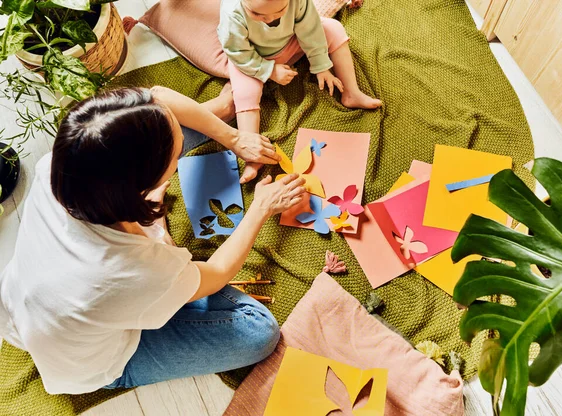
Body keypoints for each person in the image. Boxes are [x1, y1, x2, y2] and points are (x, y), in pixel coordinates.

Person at [0, 86, 306, 394]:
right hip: (93, 361)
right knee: (258, 333)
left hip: (29, 307)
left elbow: (157, 96)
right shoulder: (133, 269)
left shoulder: (57, 164)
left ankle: (202, 121)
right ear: (136, 190)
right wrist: (261, 209)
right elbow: (216, 275)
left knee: (158, 128)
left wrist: (234, 136)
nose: (180, 151)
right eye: (176, 157)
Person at [218, 0, 382, 184]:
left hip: (290, 43)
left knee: (333, 28)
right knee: (244, 93)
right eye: (257, 15)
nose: (269, 19)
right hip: (253, 58)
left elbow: (310, 28)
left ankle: (351, 92)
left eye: (280, 11)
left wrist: (321, 66)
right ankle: (253, 153)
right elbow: (238, 52)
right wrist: (270, 70)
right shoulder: (232, 13)